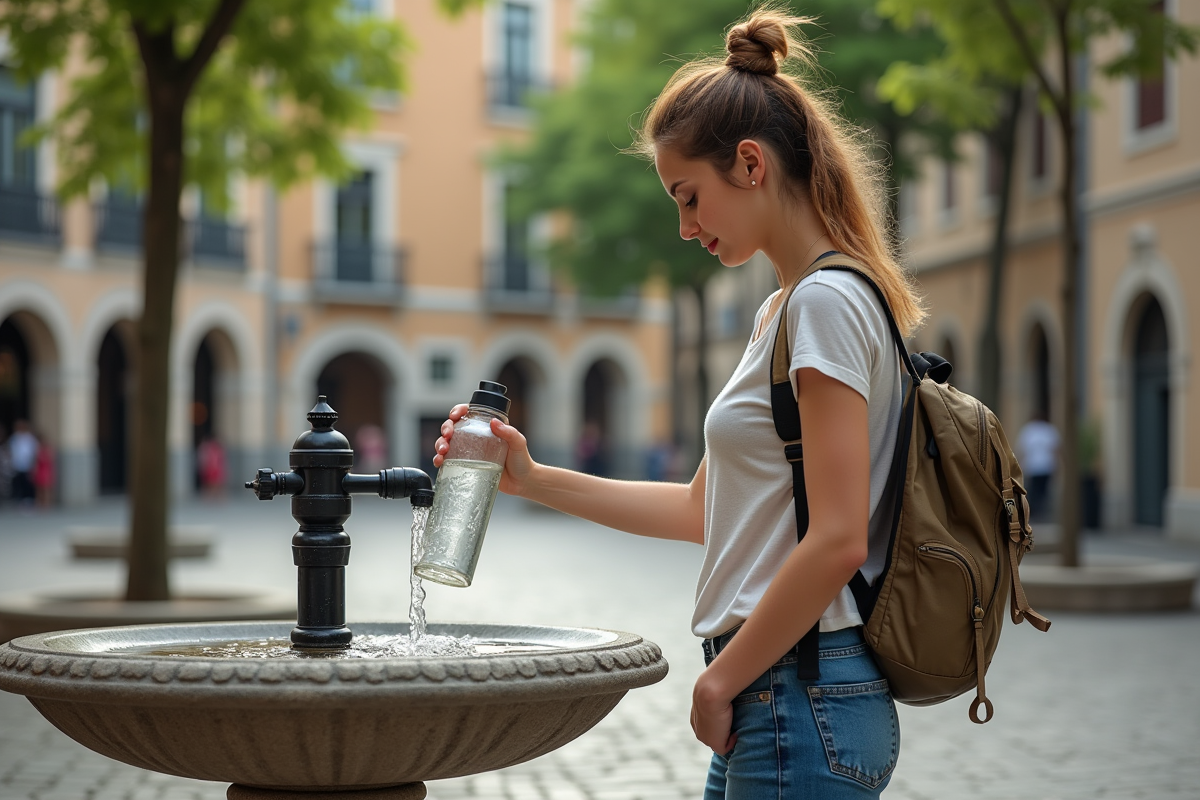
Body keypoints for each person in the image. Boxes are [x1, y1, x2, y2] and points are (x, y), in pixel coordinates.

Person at [434, 9, 924, 797]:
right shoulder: (786, 309)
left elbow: (836, 538)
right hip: (781, 690)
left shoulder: (826, 305)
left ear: (752, 165)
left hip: (797, 691)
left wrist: (718, 679)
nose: (686, 226)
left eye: (689, 196)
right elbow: (705, 511)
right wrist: (532, 478)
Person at [1016, 411, 1060, 522]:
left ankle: (1034, 512)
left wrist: (1019, 466)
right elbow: (1055, 450)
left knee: (1033, 490)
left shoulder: (1028, 430)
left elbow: (1022, 450)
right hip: (1046, 466)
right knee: (1043, 491)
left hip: (1033, 466)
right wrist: (1057, 466)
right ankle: (1040, 511)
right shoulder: (1049, 429)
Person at [8, 418, 38, 504]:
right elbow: (11, 450)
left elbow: (33, 451)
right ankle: (19, 499)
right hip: (16, 465)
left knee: (27, 483)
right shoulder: (14, 437)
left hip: (27, 465)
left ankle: (29, 499)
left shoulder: (29, 438)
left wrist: (33, 463)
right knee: (18, 482)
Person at [33, 430, 55, 509]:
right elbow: (36, 460)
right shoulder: (38, 448)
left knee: (46, 488)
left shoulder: (48, 448)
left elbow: (50, 459)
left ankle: (46, 504)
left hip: (46, 470)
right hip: (40, 470)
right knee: (39, 488)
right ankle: (40, 503)